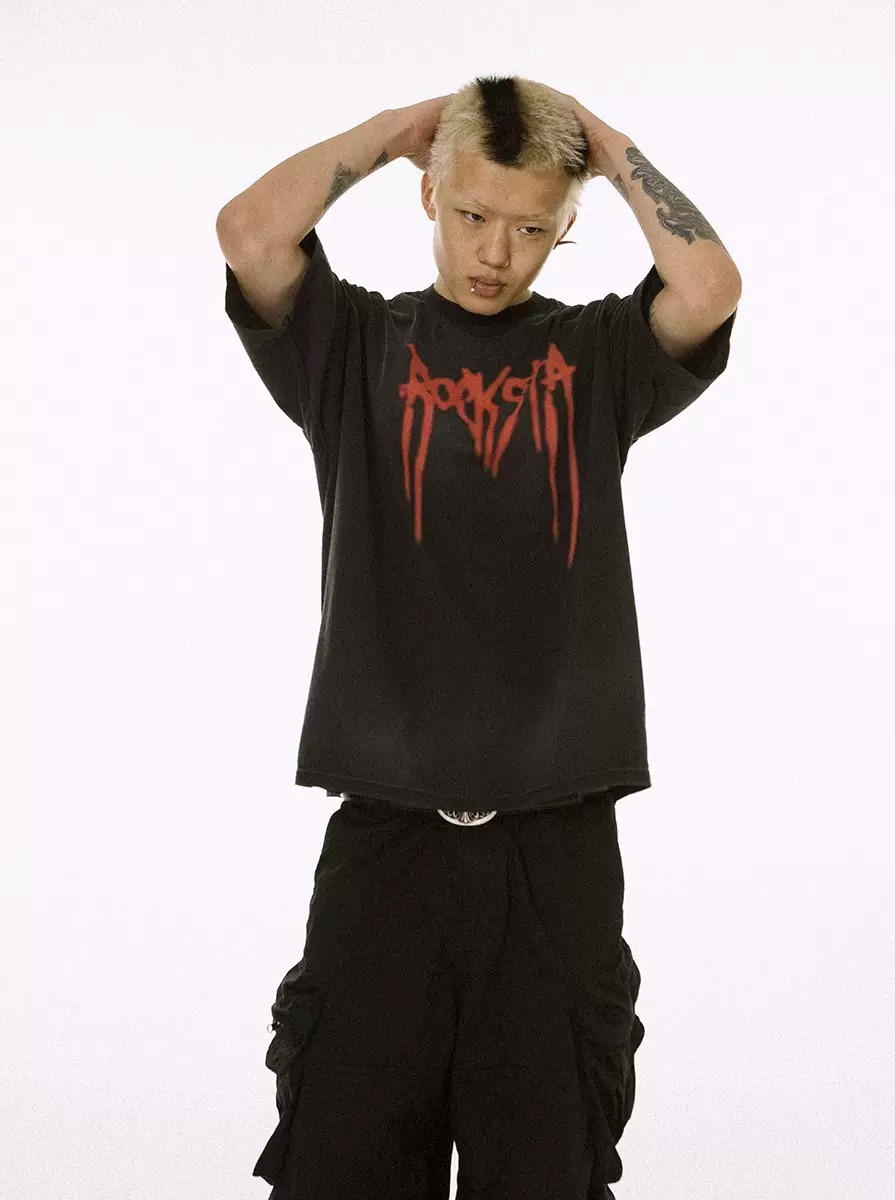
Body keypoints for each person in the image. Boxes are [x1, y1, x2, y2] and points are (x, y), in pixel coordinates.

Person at [217, 73, 739, 1200]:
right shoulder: (356, 345)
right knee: (340, 1163)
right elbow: (251, 231)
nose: (497, 254)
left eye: (532, 228)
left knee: (548, 1170)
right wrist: (395, 132)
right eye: (471, 214)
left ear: (565, 227)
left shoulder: (595, 358)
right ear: (430, 196)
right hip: (388, 837)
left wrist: (607, 145)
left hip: (554, 846)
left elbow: (707, 286)